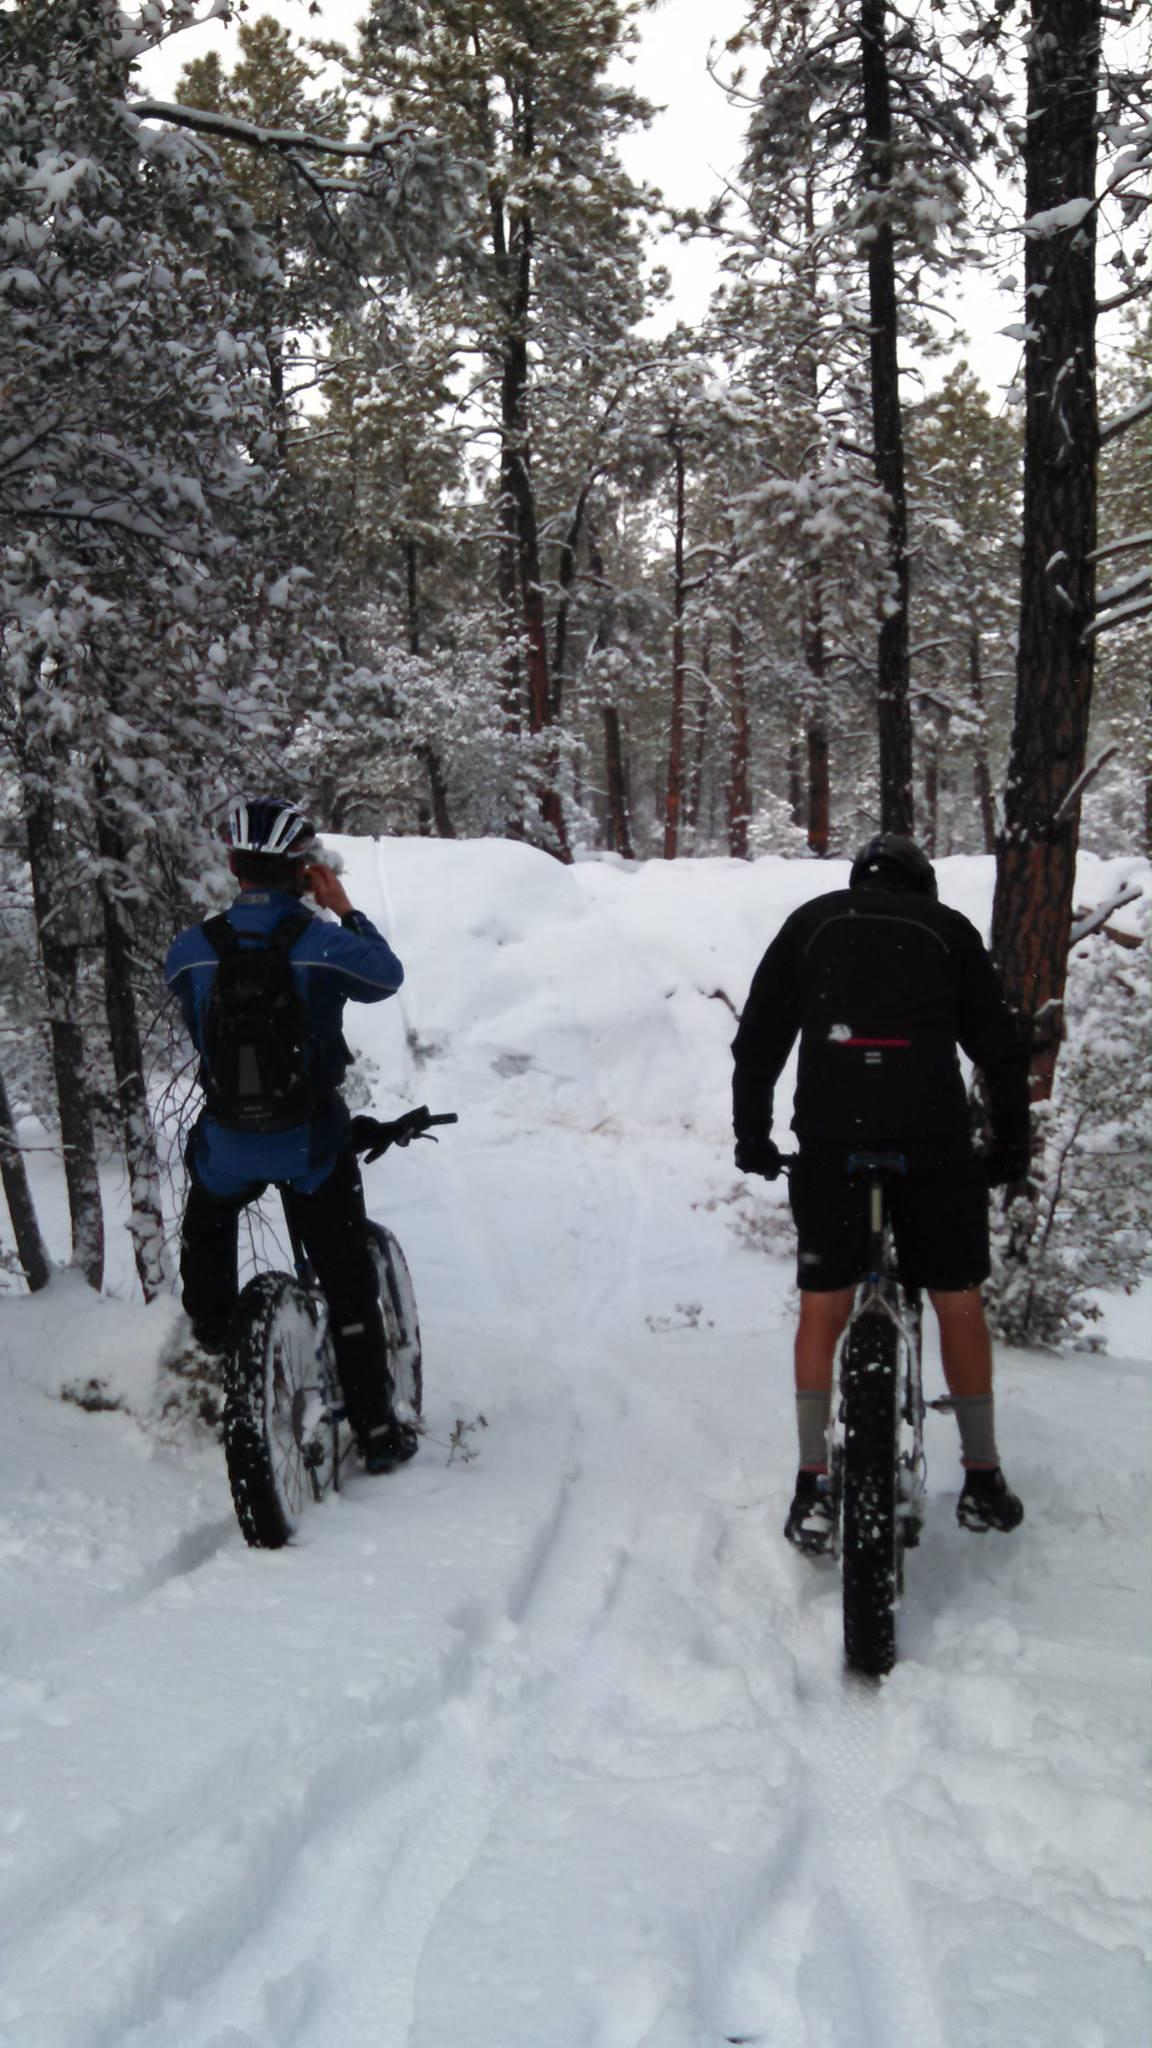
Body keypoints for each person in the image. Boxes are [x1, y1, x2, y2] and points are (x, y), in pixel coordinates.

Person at [731, 832, 1030, 1551]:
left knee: (823, 1302)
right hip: (933, 1145)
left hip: (834, 1142)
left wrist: (754, 1138)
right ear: (920, 886)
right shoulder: (949, 930)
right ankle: (983, 1476)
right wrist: (1011, 1145)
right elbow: (1000, 1050)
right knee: (956, 1298)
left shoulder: (812, 923)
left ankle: (811, 1479)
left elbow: (759, 1042)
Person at [164, 796, 418, 1473]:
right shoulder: (322, 944)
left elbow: (196, 1024)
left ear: (231, 865)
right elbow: (386, 976)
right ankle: (376, 1433)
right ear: (303, 870)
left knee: (208, 1224)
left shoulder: (190, 952)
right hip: (310, 1145)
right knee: (347, 1281)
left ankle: (221, 1341)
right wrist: (344, 907)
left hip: (229, 1146)